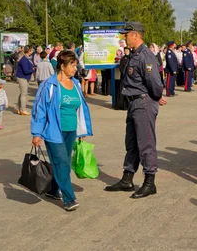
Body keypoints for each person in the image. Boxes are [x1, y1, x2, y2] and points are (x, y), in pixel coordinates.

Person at [104, 22, 167, 199]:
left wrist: (154, 97)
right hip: (133, 103)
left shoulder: (146, 56)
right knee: (131, 143)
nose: (124, 38)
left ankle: (149, 182)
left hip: (143, 103)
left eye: (126, 35)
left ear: (136, 35)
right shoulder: (135, 55)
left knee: (146, 143)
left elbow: (155, 83)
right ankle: (127, 179)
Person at [31, 50, 93, 211]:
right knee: (63, 163)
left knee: (61, 164)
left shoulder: (76, 84)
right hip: (53, 131)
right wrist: (37, 133)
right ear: (62, 65)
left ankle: (53, 190)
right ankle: (69, 199)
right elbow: (40, 109)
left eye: (76, 65)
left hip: (71, 131)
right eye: (72, 65)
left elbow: (81, 109)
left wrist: (82, 131)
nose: (75, 68)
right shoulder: (49, 85)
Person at [16, 46, 34, 116]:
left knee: (22, 93)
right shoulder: (24, 59)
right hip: (22, 77)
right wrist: (33, 70)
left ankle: (18, 107)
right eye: (31, 50)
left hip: (25, 77)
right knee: (24, 93)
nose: (32, 52)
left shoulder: (26, 58)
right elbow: (26, 71)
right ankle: (23, 110)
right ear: (28, 51)